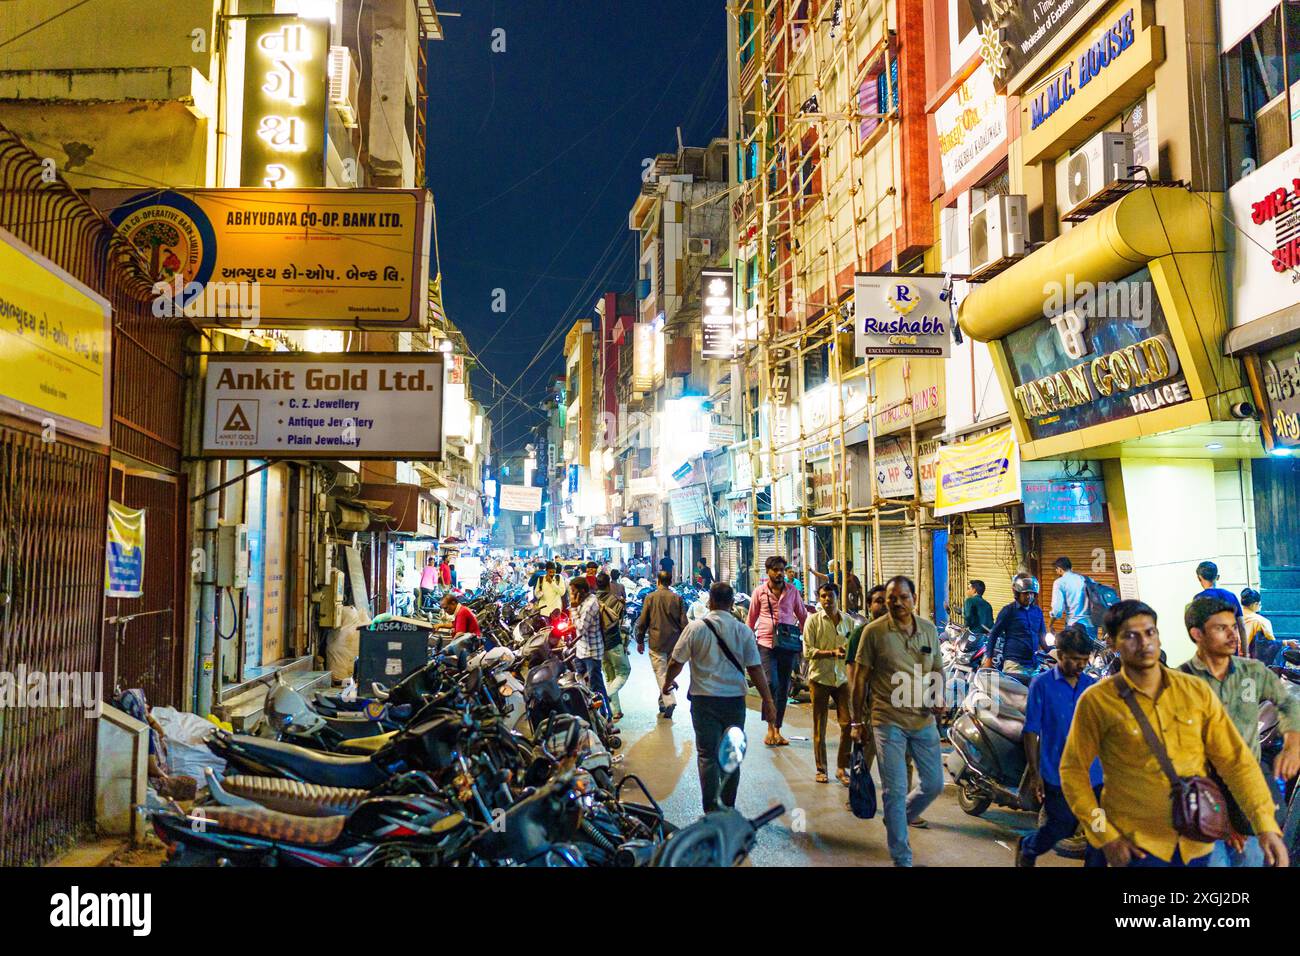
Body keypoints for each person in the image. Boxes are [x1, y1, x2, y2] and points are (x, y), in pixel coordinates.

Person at [1059, 599, 1289, 868]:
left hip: (1195, 840)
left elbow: (1235, 761)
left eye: (1150, 632)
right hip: (1138, 847)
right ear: (1113, 643)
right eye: (1131, 635)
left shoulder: (1194, 691)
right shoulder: (1096, 701)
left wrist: (1264, 824)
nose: (1144, 642)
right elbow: (1073, 772)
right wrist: (1102, 832)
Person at [1180, 596, 1300, 867]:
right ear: (1197, 634)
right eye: (1222, 627)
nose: (1235, 634)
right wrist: (1224, 819)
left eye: (1236, 625)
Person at [850, 576, 946, 867]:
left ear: (913, 599)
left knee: (933, 784)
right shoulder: (874, 633)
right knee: (894, 789)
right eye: (892, 598)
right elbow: (860, 679)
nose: (897, 603)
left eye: (903, 597)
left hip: (922, 719)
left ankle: (896, 819)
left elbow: (938, 671)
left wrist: (938, 696)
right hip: (886, 720)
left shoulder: (928, 630)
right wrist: (857, 723)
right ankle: (902, 858)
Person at [662, 582, 777, 813]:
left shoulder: (695, 628)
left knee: (707, 756)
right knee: (731, 756)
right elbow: (755, 669)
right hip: (734, 703)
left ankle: (711, 809)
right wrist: (768, 701)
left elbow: (676, 661)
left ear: (710, 602)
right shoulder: (742, 630)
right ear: (732, 603)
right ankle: (728, 807)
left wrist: (667, 682)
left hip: (704, 702)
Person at [1016, 625, 1105, 867]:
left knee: (1099, 834)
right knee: (1060, 827)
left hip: (1094, 775)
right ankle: (1029, 847)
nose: (1081, 665)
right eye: (1076, 660)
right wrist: (1035, 774)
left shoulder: (1091, 686)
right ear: (1061, 654)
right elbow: (1031, 730)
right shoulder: (1041, 685)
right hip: (1057, 774)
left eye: (1085, 660)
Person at [747, 555, 808, 746]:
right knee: (770, 683)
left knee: (783, 688)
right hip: (765, 643)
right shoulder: (759, 593)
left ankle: (777, 729)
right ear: (768, 572)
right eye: (776, 570)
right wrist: (745, 645)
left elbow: (803, 616)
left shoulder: (792, 592)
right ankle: (769, 727)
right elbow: (751, 619)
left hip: (787, 645)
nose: (779, 573)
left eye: (782, 570)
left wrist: (806, 642)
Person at [803, 582, 854, 785]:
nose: (826, 599)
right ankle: (820, 768)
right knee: (819, 726)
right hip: (820, 679)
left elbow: (853, 648)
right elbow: (807, 652)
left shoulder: (848, 622)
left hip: (842, 679)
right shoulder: (813, 622)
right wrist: (831, 653)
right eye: (823, 596)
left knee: (848, 724)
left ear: (837, 596)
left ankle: (842, 768)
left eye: (830, 595)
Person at [636, 571, 689, 718]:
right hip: (674, 643)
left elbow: (642, 621)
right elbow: (684, 623)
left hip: (656, 642)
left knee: (661, 673)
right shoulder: (677, 598)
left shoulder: (650, 597)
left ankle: (669, 701)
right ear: (670, 581)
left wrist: (640, 640)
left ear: (658, 581)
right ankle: (662, 703)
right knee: (667, 673)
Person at [984, 574, 1048, 674]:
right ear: (1017, 593)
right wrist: (989, 659)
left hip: (1034, 665)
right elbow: (994, 634)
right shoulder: (1008, 611)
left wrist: (1052, 653)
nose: (1029, 597)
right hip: (1014, 665)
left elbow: (1041, 637)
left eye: (1032, 593)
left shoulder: (1037, 612)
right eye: (1025, 593)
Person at [569, 577, 611, 720]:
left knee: (596, 686)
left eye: (573, 591)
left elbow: (581, 627)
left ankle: (606, 716)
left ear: (581, 591)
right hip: (581, 650)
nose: (571, 595)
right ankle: (589, 715)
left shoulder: (591, 603)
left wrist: (573, 608)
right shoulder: (583, 602)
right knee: (580, 684)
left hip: (592, 651)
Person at [596, 572, 631, 721]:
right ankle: (606, 696)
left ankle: (616, 710)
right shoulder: (615, 600)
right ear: (609, 584)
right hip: (613, 641)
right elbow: (619, 622)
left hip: (599, 644)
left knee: (610, 676)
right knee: (623, 671)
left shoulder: (592, 601)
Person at [1194, 560, 1245, 645]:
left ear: (1199, 578)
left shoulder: (1198, 599)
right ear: (1217, 577)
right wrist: (1245, 652)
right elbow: (1242, 626)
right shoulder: (1231, 596)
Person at [1048, 557, 1094, 639]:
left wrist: (1050, 624)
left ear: (1059, 569)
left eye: (1056, 569)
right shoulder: (1087, 579)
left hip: (1074, 627)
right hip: (1091, 625)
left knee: (1074, 651)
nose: (1056, 571)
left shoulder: (1059, 582)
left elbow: (1057, 610)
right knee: (1092, 651)